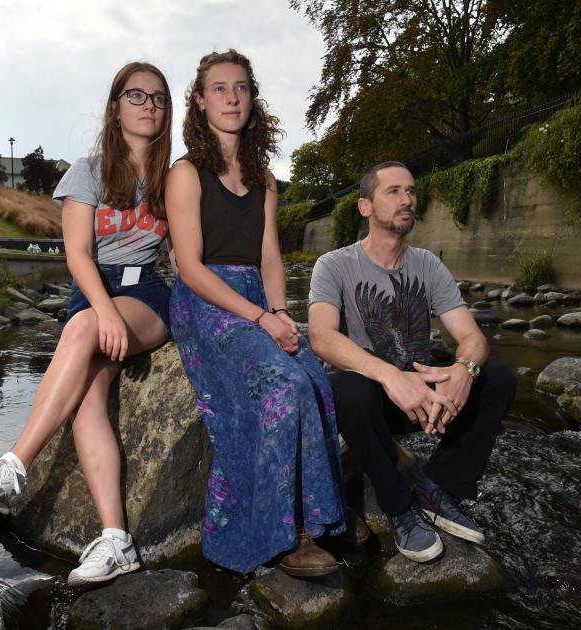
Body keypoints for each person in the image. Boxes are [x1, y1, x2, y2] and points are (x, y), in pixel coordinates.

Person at [0, 62, 173, 585]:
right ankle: (117, 540)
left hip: (146, 293)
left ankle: (13, 468)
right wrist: (102, 310)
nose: (148, 105)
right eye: (136, 95)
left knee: (77, 332)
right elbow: (77, 254)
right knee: (87, 403)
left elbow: (189, 253)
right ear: (115, 105)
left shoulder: (175, 178)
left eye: (159, 98)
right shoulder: (89, 170)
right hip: (94, 286)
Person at [166, 49, 347, 576]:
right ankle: (277, 536)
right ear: (199, 102)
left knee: (313, 376)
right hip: (206, 299)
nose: (231, 97)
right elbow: (191, 268)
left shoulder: (265, 180)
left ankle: (322, 520)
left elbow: (270, 258)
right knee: (281, 387)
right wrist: (258, 318)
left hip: (255, 297)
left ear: (253, 98)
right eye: (219, 88)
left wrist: (280, 313)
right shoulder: (186, 173)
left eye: (241, 87)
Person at [308, 161, 516, 563]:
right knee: (347, 390)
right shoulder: (334, 265)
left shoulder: (427, 264)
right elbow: (321, 337)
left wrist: (463, 373)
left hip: (423, 400)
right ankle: (400, 508)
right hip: (371, 406)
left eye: (412, 191)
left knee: (499, 379)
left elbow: (472, 337)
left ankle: (437, 486)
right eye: (394, 192)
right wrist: (389, 376)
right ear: (365, 207)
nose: (408, 199)